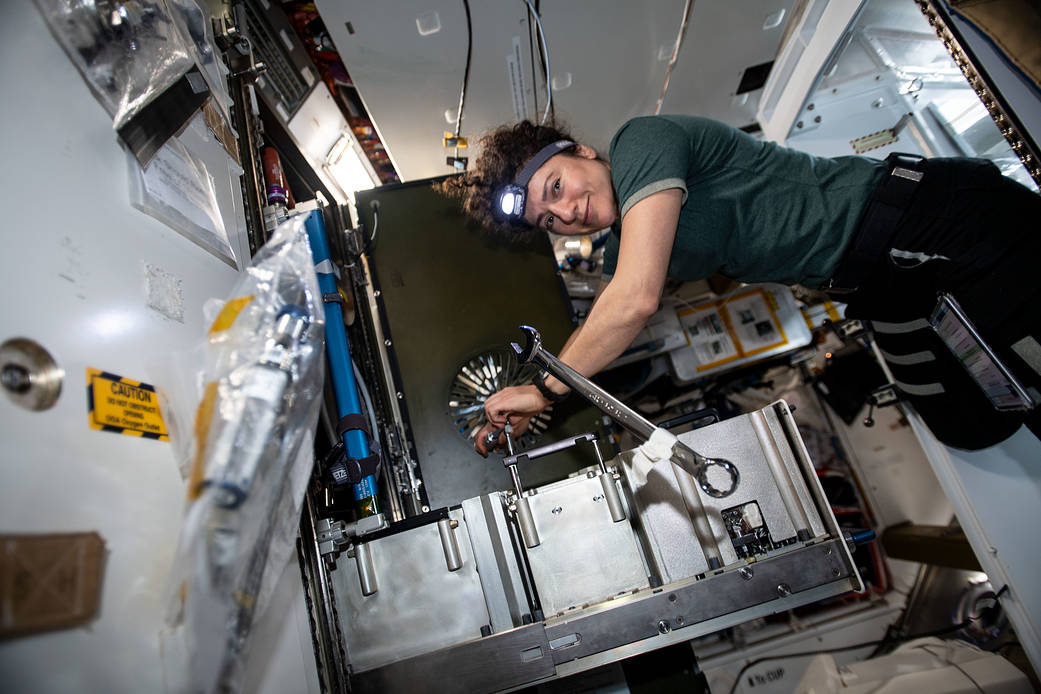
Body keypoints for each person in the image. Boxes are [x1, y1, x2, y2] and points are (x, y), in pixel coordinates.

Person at [439, 115, 1041, 453]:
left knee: (1027, 366)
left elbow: (634, 300)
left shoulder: (641, 143)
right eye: (549, 220)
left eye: (556, 188)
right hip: (886, 286)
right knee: (969, 424)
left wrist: (545, 390)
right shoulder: (627, 246)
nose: (566, 214)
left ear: (581, 151)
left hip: (927, 220)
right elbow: (617, 313)